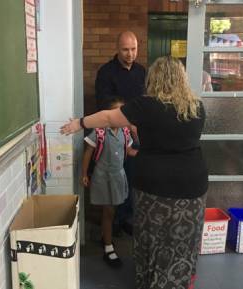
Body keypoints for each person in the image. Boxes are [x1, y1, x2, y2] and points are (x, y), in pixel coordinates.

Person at [61, 56, 208, 289]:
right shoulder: (197, 107)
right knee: (184, 240)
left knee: (153, 238)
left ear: (154, 79)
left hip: (155, 186)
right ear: (182, 78)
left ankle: (152, 282)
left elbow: (109, 117)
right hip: (192, 185)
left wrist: (80, 122)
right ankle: (180, 281)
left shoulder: (147, 105)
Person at [94, 30, 146, 236]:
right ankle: (112, 222)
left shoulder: (142, 71)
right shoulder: (106, 72)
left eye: (133, 49)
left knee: (132, 177)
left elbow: (146, 101)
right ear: (117, 48)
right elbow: (103, 105)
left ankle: (127, 218)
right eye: (125, 49)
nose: (130, 54)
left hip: (137, 135)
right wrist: (127, 123)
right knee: (115, 177)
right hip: (113, 134)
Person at [81, 97, 137, 268]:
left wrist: (146, 152)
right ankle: (108, 246)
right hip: (103, 176)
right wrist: (84, 173)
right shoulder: (99, 132)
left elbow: (129, 150)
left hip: (119, 176)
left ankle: (106, 237)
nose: (121, 117)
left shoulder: (125, 133)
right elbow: (88, 153)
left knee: (114, 209)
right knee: (108, 211)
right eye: (117, 113)